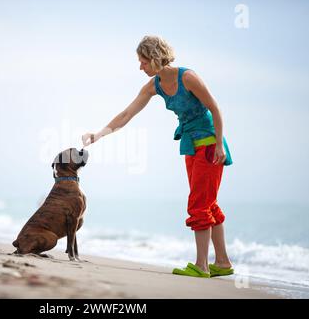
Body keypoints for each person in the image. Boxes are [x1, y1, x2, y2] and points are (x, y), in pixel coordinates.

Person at [81, 35, 234, 278]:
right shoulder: (155, 85)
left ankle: (202, 266)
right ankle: (223, 263)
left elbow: (215, 109)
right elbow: (127, 113)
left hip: (209, 146)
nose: (140, 66)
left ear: (154, 58)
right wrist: (99, 134)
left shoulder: (188, 77)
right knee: (208, 203)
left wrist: (219, 145)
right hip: (191, 147)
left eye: (142, 61)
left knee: (199, 204)